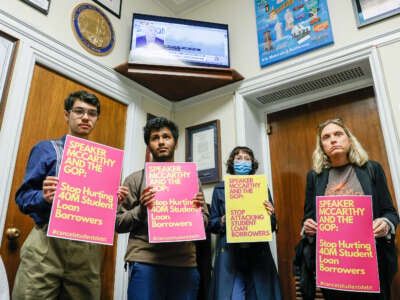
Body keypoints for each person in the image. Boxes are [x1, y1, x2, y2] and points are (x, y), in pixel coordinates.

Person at [12, 90, 128, 300]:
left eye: (91, 114)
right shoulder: (46, 149)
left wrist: (112, 201)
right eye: (79, 111)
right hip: (46, 244)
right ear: (67, 115)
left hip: (87, 247)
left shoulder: (104, 162)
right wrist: (43, 197)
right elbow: (22, 198)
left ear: (96, 119)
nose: (85, 117)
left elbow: (105, 215)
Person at [302, 118, 399, 300]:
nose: (333, 140)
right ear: (321, 146)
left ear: (349, 139)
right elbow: (307, 218)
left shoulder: (372, 169)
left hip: (371, 266)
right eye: (326, 137)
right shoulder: (314, 177)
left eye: (338, 134)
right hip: (333, 267)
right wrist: (307, 226)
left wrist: (385, 223)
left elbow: (390, 212)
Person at [115, 117, 209, 300]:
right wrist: (141, 210)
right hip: (145, 260)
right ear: (149, 146)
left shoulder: (191, 180)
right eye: (155, 138)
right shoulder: (135, 180)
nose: (161, 142)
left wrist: (196, 213)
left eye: (166, 137)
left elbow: (205, 224)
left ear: (176, 143)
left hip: (184, 263)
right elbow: (118, 223)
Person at [208, 146, 282, 300]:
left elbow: (273, 225)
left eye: (247, 159)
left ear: (252, 164)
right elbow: (211, 223)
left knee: (260, 295)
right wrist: (222, 220)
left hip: (257, 253)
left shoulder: (261, 188)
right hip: (230, 254)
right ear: (232, 163)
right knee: (232, 296)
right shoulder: (220, 189)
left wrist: (270, 214)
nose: (243, 162)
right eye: (238, 158)